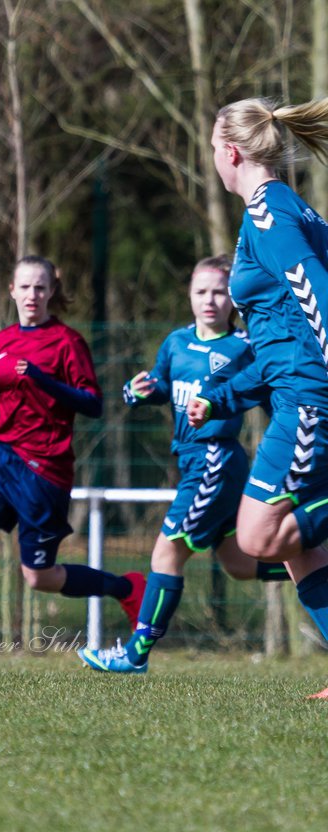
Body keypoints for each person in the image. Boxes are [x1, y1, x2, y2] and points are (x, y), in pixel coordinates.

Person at [0, 256, 144, 670]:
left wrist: (40, 377)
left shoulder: (67, 342)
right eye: (25, 287)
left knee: (39, 577)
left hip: (44, 471)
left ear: (52, 291)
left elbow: (93, 403)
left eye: (41, 287)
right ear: (11, 291)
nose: (33, 295)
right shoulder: (0, 342)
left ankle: (126, 587)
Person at [185, 96, 328, 697]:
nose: (213, 160)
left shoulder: (270, 216)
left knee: (257, 538)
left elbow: (317, 296)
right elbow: (276, 338)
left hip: (309, 403)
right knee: (298, 551)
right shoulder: (285, 209)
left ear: (233, 152)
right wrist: (223, 398)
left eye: (214, 150)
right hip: (294, 391)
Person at [80, 255, 284, 675]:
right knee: (239, 564)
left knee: (165, 553)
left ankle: (135, 653)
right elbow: (161, 384)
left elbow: (272, 401)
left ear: (233, 298)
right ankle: (314, 563)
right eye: (201, 291)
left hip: (216, 460)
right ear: (189, 296)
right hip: (194, 463)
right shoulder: (175, 342)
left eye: (219, 291)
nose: (210, 300)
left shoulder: (245, 348)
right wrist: (140, 391)